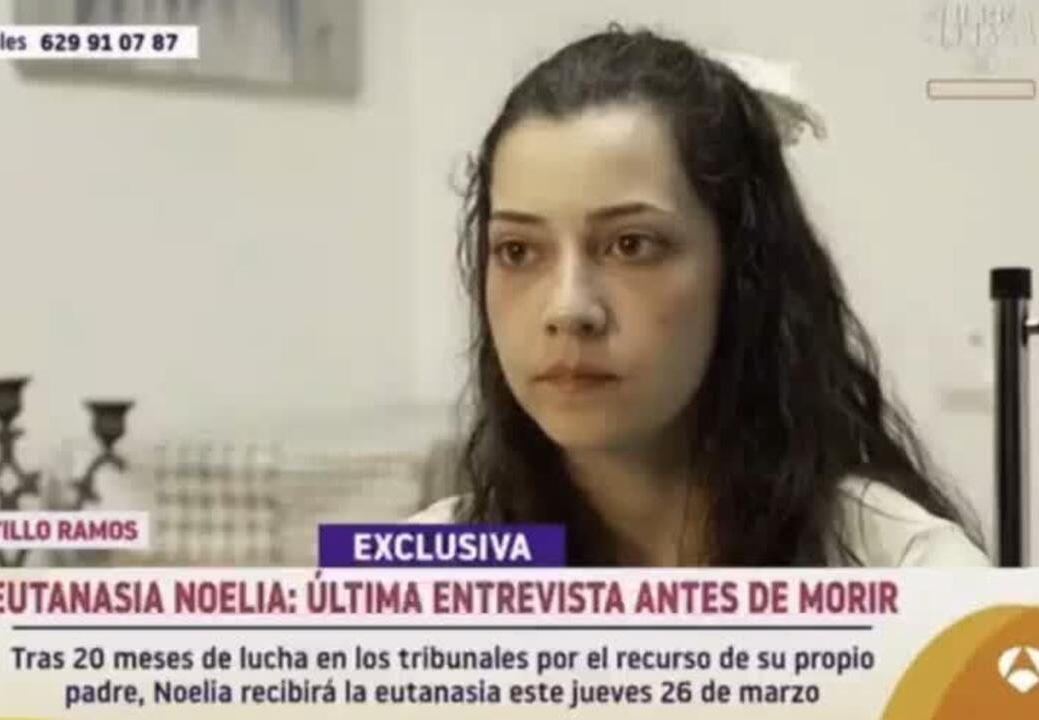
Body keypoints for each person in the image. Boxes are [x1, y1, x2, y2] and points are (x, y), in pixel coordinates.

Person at [410, 24, 990, 567]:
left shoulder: (913, 571)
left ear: (742, 270)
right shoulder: (419, 580)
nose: (568, 309)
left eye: (631, 245)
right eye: (517, 251)